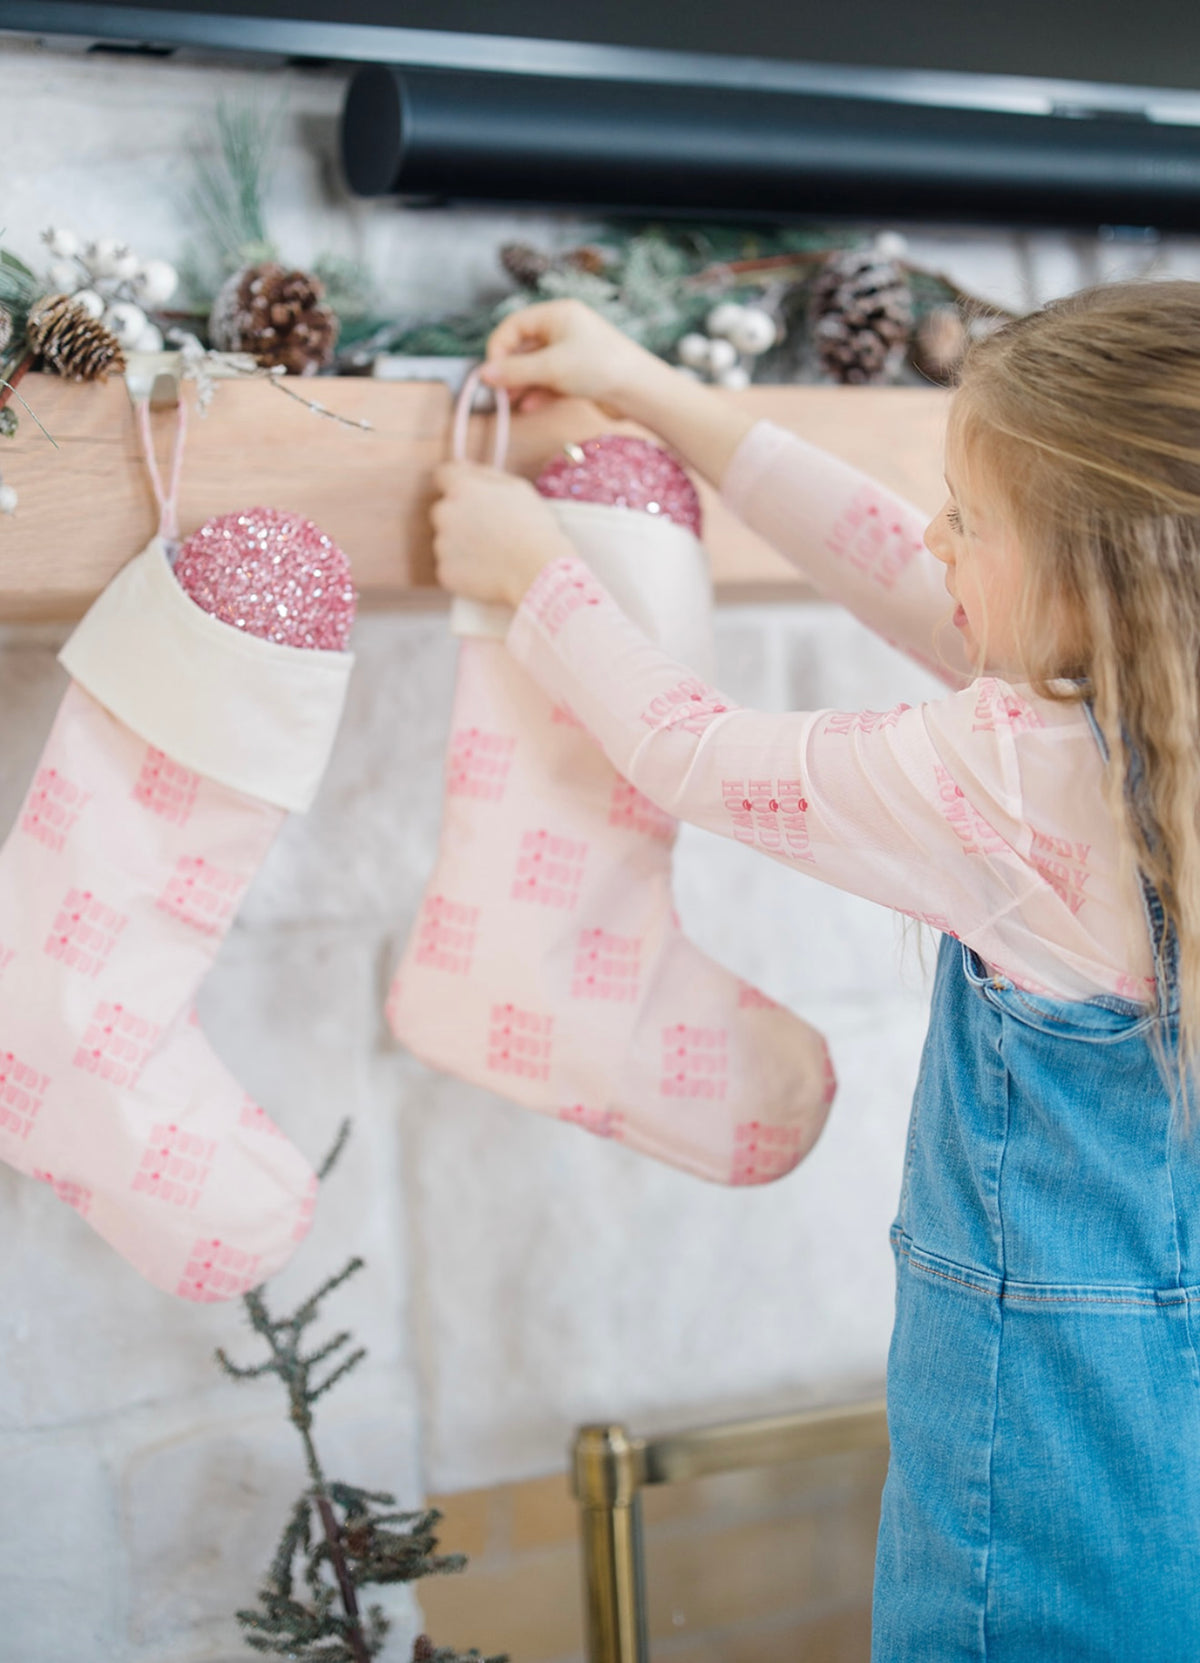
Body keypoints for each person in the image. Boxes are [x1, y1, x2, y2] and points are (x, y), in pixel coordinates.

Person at [430, 286, 1200, 1660]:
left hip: (1039, 1458)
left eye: (970, 517)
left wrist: (527, 571)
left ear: (1094, 582)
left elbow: (687, 751)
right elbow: (893, 562)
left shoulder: (1017, 779)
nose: (931, 535)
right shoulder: (1153, 711)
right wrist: (651, 388)